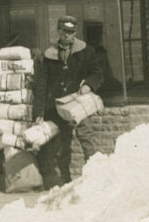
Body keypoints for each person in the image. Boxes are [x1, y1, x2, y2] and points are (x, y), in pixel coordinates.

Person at [32, 15, 104, 188]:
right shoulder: (48, 55)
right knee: (61, 145)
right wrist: (39, 113)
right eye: (64, 31)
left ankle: (94, 180)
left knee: (87, 139)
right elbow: (41, 86)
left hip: (79, 104)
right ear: (58, 31)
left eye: (71, 32)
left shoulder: (87, 52)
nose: (67, 35)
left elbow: (97, 74)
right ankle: (64, 181)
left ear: (75, 32)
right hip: (57, 107)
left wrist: (88, 85)